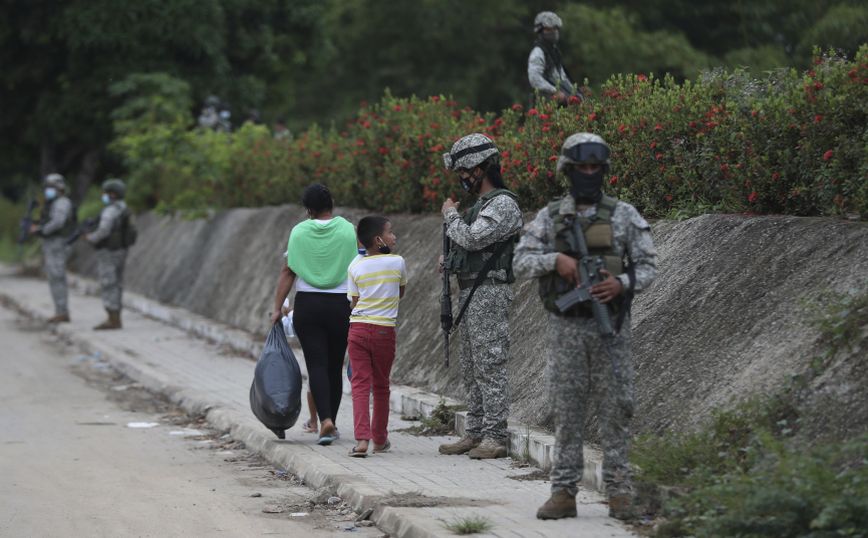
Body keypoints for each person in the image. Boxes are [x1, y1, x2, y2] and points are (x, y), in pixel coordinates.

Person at [513, 133, 658, 520]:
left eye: (596, 168)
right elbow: (520, 263)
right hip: (567, 330)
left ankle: (620, 491)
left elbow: (648, 267)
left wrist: (621, 283)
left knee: (618, 408)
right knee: (567, 409)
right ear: (569, 171)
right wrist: (555, 260)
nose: (589, 174)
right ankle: (563, 491)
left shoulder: (624, 215)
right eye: (583, 168)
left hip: (610, 327)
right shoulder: (550, 217)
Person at [437, 133, 523, 460]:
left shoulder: (503, 203)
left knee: (490, 363)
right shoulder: (478, 206)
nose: (462, 179)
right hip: (471, 291)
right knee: (472, 366)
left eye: (465, 171)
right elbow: (468, 248)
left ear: (481, 168)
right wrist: (449, 261)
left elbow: (473, 239)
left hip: (489, 292)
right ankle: (473, 432)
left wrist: (450, 216)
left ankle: (494, 435)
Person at [270, 183, 357, 445]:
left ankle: (324, 420)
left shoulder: (298, 232)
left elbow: (288, 271)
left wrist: (277, 308)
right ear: (331, 202)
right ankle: (332, 424)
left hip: (308, 305)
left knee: (316, 364)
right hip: (340, 305)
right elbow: (357, 268)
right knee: (334, 366)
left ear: (308, 209)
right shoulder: (348, 229)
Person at [346, 216, 407, 457]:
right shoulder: (398, 262)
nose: (394, 236)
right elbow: (399, 293)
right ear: (378, 239)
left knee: (360, 385)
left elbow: (354, 302)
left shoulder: (355, 266)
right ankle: (379, 440)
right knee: (381, 386)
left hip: (358, 329)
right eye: (390, 232)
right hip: (384, 331)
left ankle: (361, 441)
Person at [87, 179, 134, 330]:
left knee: (108, 283)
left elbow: (104, 230)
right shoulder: (124, 208)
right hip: (121, 250)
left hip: (108, 251)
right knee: (117, 283)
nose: (104, 195)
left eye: (106, 193)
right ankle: (116, 316)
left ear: (113, 194)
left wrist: (91, 238)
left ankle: (112, 317)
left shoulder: (110, 210)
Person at [29, 173, 75, 322]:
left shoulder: (62, 202)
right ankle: (60, 311)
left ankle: (62, 312)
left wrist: (41, 230)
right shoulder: (54, 202)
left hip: (58, 242)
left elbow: (58, 222)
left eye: (50, 187)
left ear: (58, 188)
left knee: (57, 276)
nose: (47, 190)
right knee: (54, 277)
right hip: (52, 242)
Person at [527, 11, 577, 105]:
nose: (554, 32)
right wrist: (554, 91)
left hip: (560, 102)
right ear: (540, 31)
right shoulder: (538, 52)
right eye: (549, 29)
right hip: (545, 103)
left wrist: (574, 91)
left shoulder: (554, 51)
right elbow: (534, 78)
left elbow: (561, 77)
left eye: (555, 28)